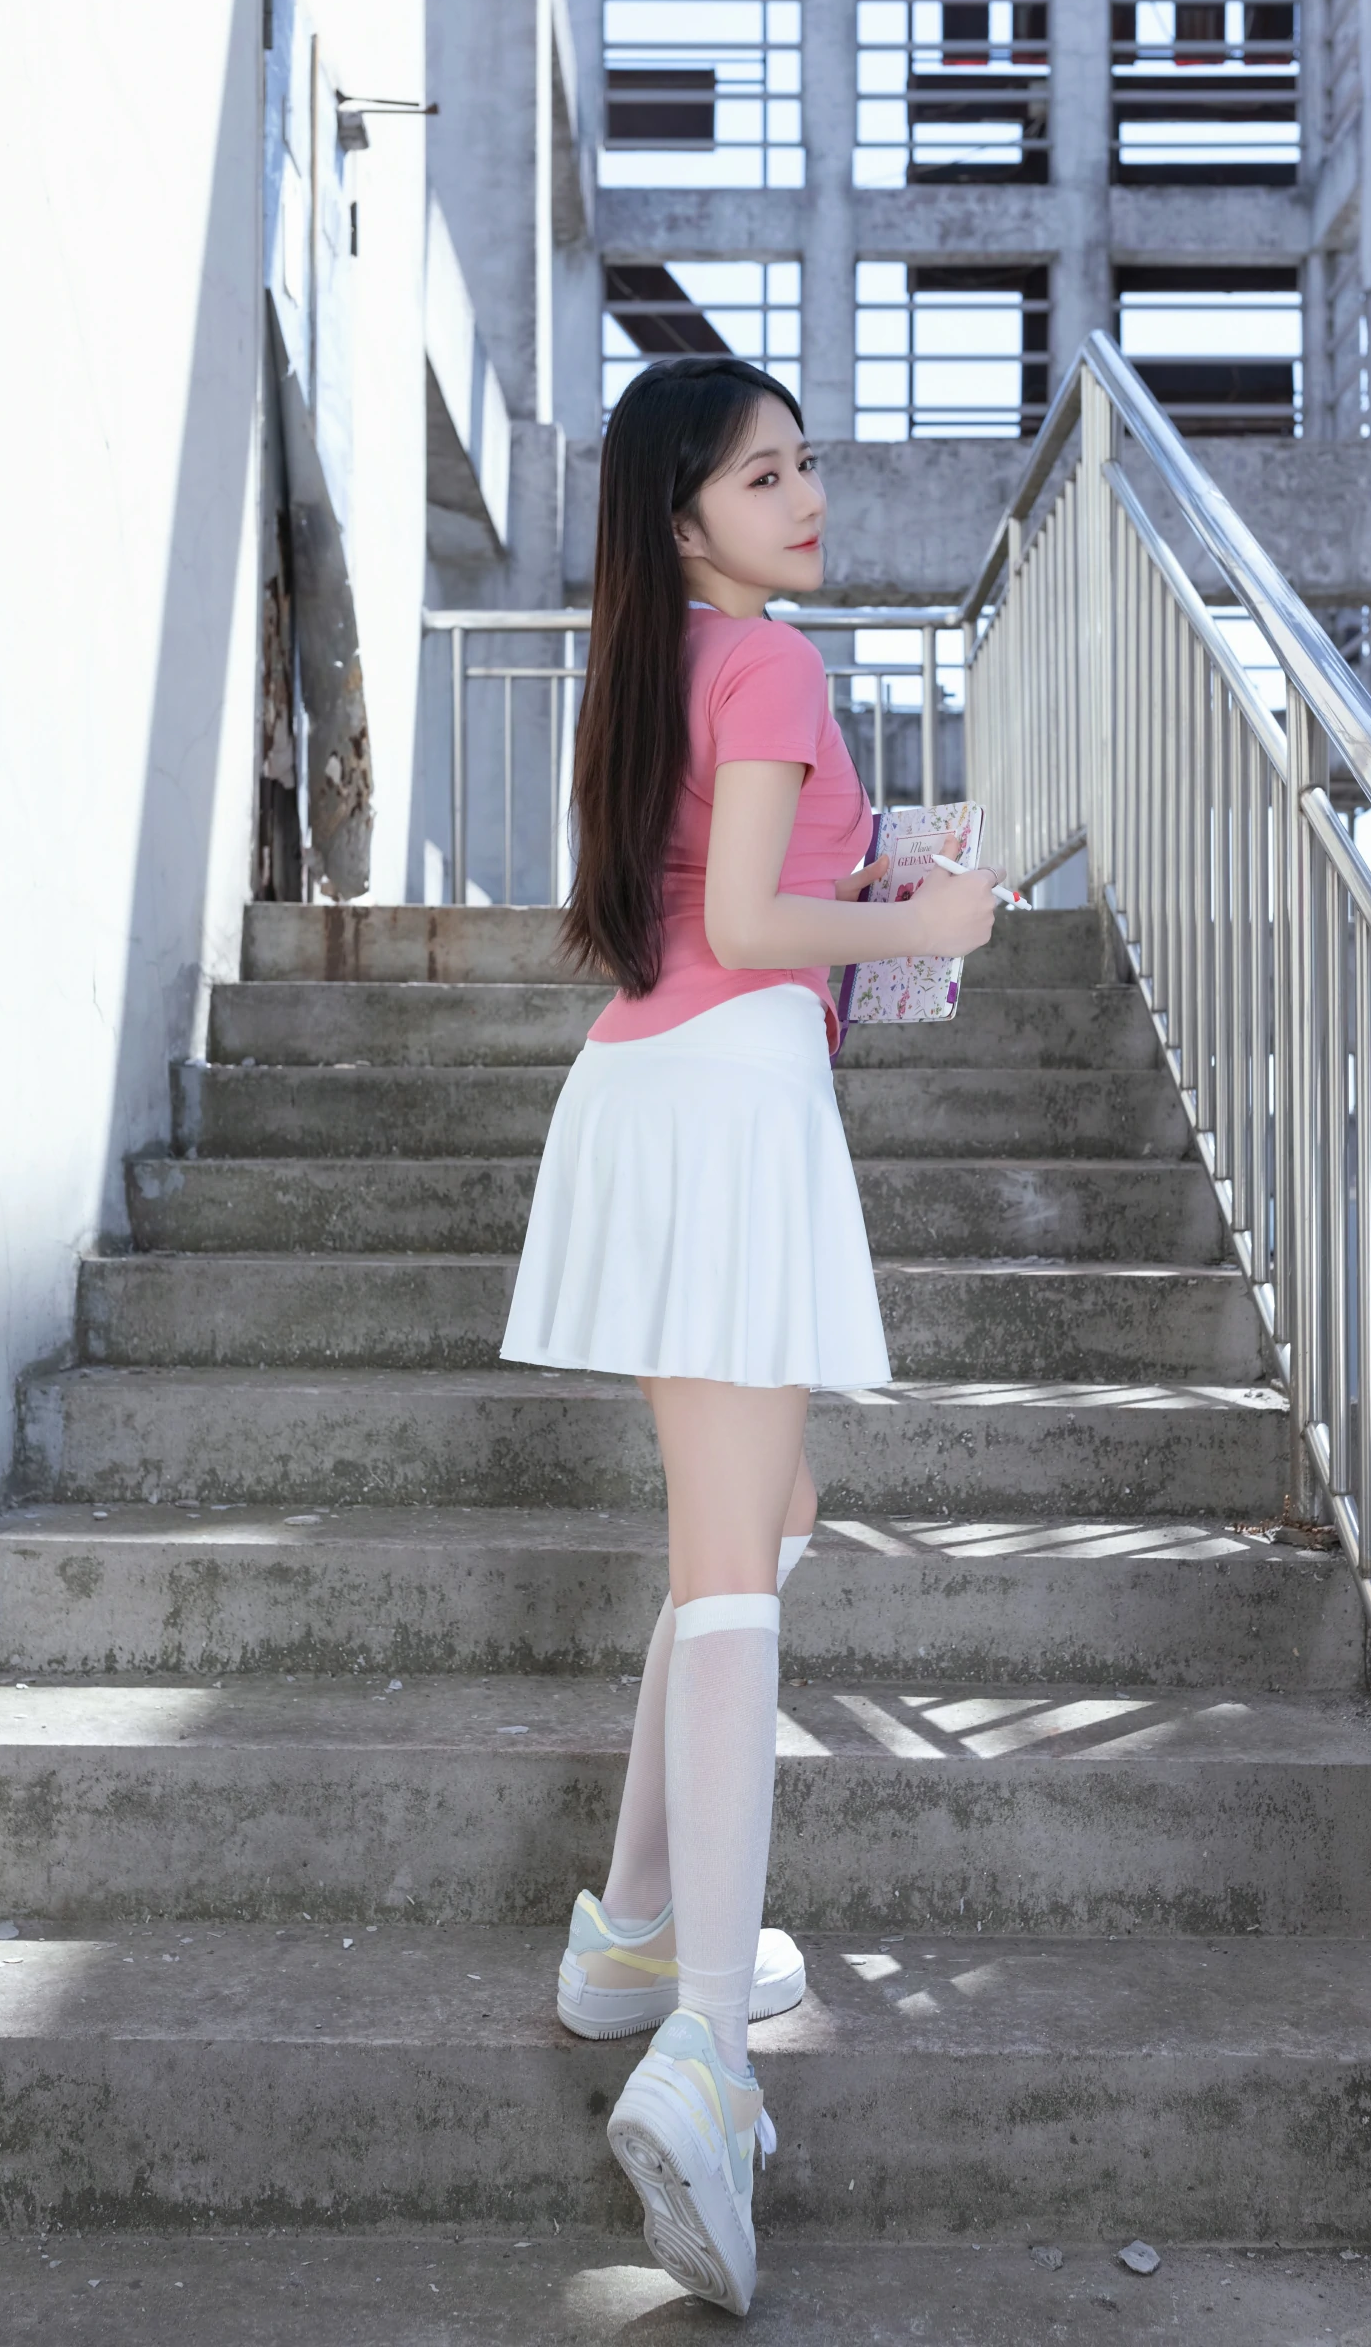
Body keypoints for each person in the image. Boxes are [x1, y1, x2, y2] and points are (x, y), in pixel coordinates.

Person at [500, 354, 999, 2317]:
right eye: (766, 472)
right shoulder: (770, 666)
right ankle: (708, 2051)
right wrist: (922, 928)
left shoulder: (662, 665)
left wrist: (863, 879)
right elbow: (760, 935)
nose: (807, 495)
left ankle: (631, 1932)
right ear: (683, 511)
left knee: (764, 1513)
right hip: (727, 1096)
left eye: (807, 463)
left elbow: (725, 895)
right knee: (732, 1560)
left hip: (651, 1091)